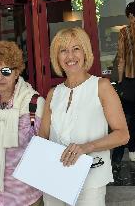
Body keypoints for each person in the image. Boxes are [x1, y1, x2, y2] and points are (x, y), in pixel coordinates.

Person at [39, 27, 129, 205]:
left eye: (76, 49)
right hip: (54, 178)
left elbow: (123, 134)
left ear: (85, 52)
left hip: (91, 178)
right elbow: (43, 137)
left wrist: (87, 147)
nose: (70, 56)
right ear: (57, 57)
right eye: (63, 51)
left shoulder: (101, 86)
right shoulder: (53, 93)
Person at [0, 41, 45, 206]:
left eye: (6, 71)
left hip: (25, 198)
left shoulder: (34, 103)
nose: (0, 77)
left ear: (17, 73)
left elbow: (48, 150)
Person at [112, 2, 135, 164]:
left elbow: (121, 59)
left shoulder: (124, 32)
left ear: (130, 16)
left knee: (127, 117)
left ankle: (125, 152)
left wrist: (119, 81)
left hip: (130, 81)